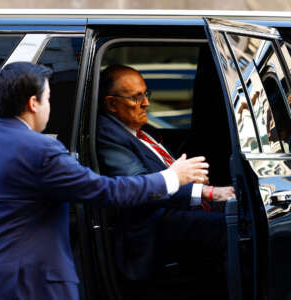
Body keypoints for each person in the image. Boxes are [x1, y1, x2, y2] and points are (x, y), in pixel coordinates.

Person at [0, 62, 209, 300]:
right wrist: (171, 178)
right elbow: (105, 191)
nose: (50, 108)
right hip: (28, 289)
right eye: (48, 99)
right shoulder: (41, 150)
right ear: (33, 103)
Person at [96, 65, 235, 282]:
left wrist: (191, 178)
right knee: (232, 227)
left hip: (173, 208)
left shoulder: (141, 129)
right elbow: (140, 186)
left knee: (239, 213)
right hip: (153, 223)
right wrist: (206, 191)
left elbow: (165, 170)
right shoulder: (107, 133)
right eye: (136, 97)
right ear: (112, 103)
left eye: (146, 94)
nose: (146, 103)